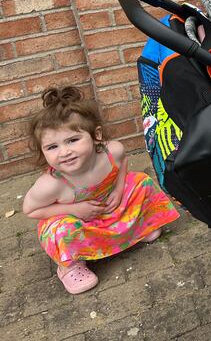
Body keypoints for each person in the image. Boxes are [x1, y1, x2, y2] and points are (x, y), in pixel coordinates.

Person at [22, 87, 180, 295]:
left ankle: (139, 227)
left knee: (141, 182)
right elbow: (30, 210)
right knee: (58, 230)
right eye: (52, 147)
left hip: (111, 206)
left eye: (72, 140)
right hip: (83, 222)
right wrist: (74, 210)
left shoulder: (111, 151)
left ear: (96, 135)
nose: (64, 152)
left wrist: (119, 186)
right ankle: (70, 266)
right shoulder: (51, 184)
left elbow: (122, 161)